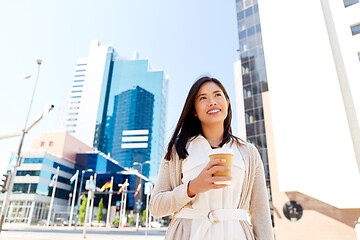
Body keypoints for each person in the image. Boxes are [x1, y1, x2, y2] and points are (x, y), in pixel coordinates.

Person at [149, 76, 274, 240]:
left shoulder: (248, 152)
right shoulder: (177, 150)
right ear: (194, 110)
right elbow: (156, 207)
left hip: (236, 234)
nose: (212, 102)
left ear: (227, 103)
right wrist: (191, 188)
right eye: (203, 98)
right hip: (188, 234)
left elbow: (261, 214)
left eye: (217, 95)